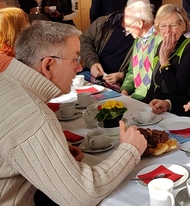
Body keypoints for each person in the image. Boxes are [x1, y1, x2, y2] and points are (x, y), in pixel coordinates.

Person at [0, 20, 147, 205]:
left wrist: (53, 153)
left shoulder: (6, 83)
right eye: (76, 59)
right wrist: (130, 150)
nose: (80, 68)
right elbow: (81, 196)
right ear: (48, 66)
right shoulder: (31, 114)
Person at [143, 4, 190, 103]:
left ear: (183, 25)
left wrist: (164, 61)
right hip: (155, 106)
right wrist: (144, 106)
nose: (168, 31)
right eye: (163, 26)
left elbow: (177, 91)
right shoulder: (161, 45)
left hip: (172, 110)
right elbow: (153, 84)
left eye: (173, 25)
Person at [120, 0, 162, 101]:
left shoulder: (160, 40)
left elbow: (157, 81)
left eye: (128, 25)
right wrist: (124, 91)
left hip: (150, 100)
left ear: (139, 23)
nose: (127, 30)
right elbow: (131, 71)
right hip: (136, 97)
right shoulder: (138, 40)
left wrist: (135, 98)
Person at [80, 11, 134, 90]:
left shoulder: (143, 35)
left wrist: (122, 75)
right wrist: (92, 63)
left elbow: (140, 69)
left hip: (118, 83)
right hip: (91, 73)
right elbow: (84, 41)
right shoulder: (105, 23)